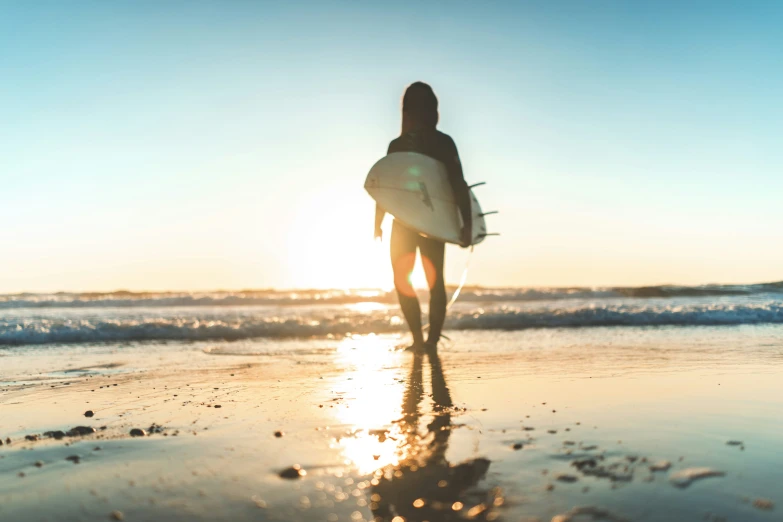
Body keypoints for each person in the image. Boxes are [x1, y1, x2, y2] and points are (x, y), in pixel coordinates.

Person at [374, 82, 473, 352]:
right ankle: (419, 340)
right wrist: (377, 222)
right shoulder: (396, 145)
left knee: (434, 282)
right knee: (402, 281)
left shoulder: (442, 142)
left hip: (432, 223)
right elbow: (386, 187)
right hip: (405, 223)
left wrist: (467, 224)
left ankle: (430, 342)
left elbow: (457, 184)